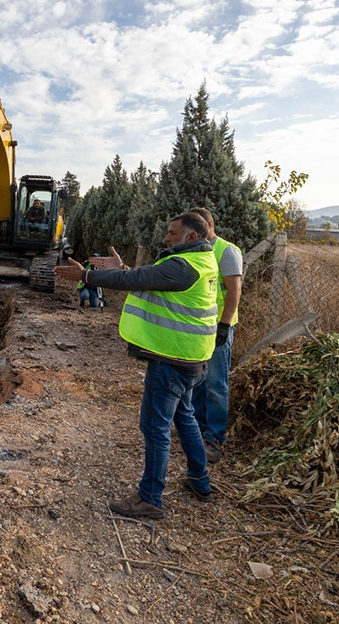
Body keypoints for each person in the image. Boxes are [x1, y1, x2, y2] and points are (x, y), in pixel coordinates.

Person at [54, 213, 219, 518]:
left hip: (172, 359)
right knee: (185, 417)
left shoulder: (182, 266)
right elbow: (148, 279)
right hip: (193, 358)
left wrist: (86, 277)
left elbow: (135, 280)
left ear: (192, 237)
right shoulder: (202, 261)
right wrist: (124, 268)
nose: (167, 238)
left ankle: (150, 497)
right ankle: (200, 481)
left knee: (155, 428)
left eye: (172, 233)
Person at [187, 207, 242, 464]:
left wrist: (225, 324)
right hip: (199, 326)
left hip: (219, 326)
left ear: (210, 223)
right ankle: (196, 429)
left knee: (216, 384)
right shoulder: (197, 250)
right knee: (198, 380)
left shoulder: (226, 251)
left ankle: (215, 439)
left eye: (201, 225)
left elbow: (234, 291)